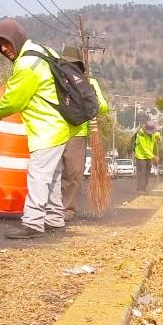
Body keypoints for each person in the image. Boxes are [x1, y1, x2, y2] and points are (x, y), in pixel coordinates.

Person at [0, 19, 77, 239]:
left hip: (48, 127)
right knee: (51, 176)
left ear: (16, 38)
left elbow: (14, 100)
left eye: (5, 43)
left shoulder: (26, 65)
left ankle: (33, 223)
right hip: (60, 124)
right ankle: (54, 219)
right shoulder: (41, 51)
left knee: (39, 175)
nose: (3, 49)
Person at [59, 45, 110, 221]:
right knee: (56, 173)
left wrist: (91, 96)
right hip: (55, 130)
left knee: (73, 173)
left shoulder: (90, 82)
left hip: (77, 132)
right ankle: (54, 207)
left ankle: (67, 208)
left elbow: (103, 107)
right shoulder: (56, 79)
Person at [133, 120, 160, 192]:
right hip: (141, 155)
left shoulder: (154, 133)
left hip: (149, 156)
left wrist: (158, 138)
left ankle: (144, 187)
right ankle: (140, 188)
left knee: (148, 171)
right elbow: (144, 149)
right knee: (142, 171)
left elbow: (157, 135)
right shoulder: (140, 135)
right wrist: (154, 157)